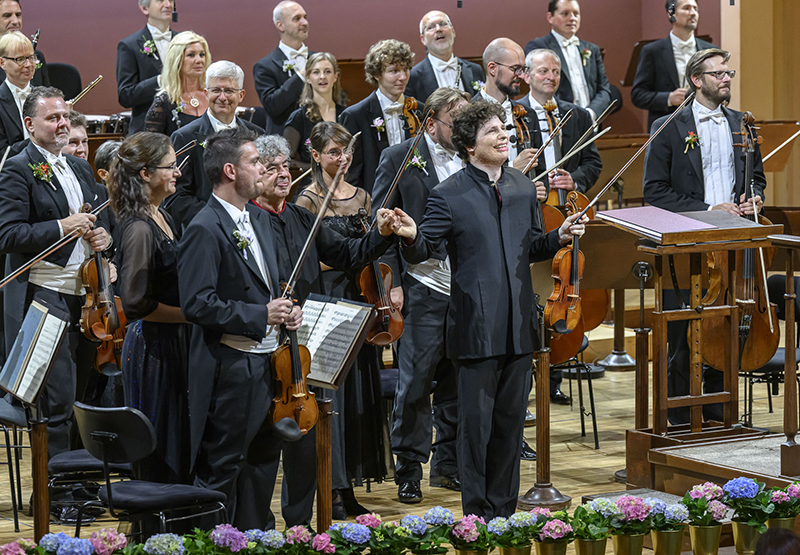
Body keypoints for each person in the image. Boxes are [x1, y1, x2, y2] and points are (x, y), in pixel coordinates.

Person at [392, 100, 586, 518]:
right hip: (475, 327)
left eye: (503, 129)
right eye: (492, 132)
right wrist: (409, 235)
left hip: (519, 323)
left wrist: (560, 236)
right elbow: (425, 249)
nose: (504, 136)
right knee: (475, 428)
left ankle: (504, 511)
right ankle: (477, 515)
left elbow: (532, 246)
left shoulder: (519, 185)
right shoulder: (448, 194)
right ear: (468, 145)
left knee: (510, 423)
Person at [177, 127, 301, 529]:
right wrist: (260, 315)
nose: (263, 168)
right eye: (255, 162)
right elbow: (197, 303)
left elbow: (269, 285)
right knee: (224, 466)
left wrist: (287, 312)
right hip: (231, 366)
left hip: (270, 364)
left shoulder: (259, 221)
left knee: (264, 461)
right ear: (231, 170)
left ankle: (252, 539)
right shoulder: (204, 226)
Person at [642, 48, 766, 424]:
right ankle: (679, 419)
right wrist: (708, 210)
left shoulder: (741, 123)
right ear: (697, 80)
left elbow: (756, 176)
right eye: (718, 74)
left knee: (724, 326)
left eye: (729, 73)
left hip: (732, 241)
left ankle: (717, 414)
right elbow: (655, 191)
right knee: (683, 334)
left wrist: (754, 197)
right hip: (688, 245)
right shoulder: (668, 126)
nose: (726, 79)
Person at [0, 86, 112, 457]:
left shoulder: (79, 166)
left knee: (82, 395)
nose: (63, 123)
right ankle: (53, 491)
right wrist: (63, 226)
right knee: (56, 402)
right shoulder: (18, 168)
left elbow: (102, 219)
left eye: (65, 116)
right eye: (53, 118)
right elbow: (9, 234)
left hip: (88, 299)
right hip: (44, 298)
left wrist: (103, 236)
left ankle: (77, 479)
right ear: (30, 124)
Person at [371, 87, 469, 504]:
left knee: (458, 381)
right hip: (420, 285)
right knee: (414, 384)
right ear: (431, 124)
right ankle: (409, 469)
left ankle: (448, 465)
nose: (465, 130)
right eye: (456, 122)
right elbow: (383, 224)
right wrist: (392, 282)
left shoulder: (472, 157)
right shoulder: (398, 157)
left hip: (464, 286)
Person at [293, 123, 392, 518]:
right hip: (327, 301)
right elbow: (305, 260)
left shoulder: (363, 196)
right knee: (330, 397)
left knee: (356, 397)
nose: (342, 158)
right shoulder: (307, 200)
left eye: (346, 151)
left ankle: (347, 484)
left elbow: (369, 251)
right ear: (315, 155)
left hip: (360, 298)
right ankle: (329, 486)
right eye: (334, 151)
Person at [108, 132, 190, 484]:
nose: (178, 173)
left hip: (172, 340)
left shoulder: (163, 217)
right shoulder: (139, 228)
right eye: (170, 167)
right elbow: (137, 303)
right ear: (145, 173)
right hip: (153, 347)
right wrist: (191, 314)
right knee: (161, 443)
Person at [164, 61, 263, 230]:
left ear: (241, 95)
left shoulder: (258, 135)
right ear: (206, 93)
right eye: (216, 90)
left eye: (229, 91)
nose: (222, 97)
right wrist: (221, 217)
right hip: (206, 229)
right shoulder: (185, 137)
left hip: (252, 226)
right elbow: (176, 198)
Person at [339, 39, 416, 194]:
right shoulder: (355, 115)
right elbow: (351, 171)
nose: (403, 77)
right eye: (394, 71)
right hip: (374, 196)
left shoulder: (418, 109)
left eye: (406, 69)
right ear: (376, 75)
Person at [631, 0, 716, 130]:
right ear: (671, 14)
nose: (693, 13)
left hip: (705, 126)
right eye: (687, 8)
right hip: (666, 128)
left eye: (695, 9)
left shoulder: (710, 51)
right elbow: (638, 95)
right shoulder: (652, 51)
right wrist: (669, 98)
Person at [524, 0, 612, 122]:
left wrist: (590, 113)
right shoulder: (539, 47)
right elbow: (540, 88)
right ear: (550, 17)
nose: (572, 18)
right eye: (565, 13)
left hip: (591, 122)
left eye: (576, 14)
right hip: (558, 121)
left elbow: (604, 89)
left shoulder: (592, 49)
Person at [473, 38, 538, 173]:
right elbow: (471, 170)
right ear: (493, 68)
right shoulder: (469, 113)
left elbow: (540, 164)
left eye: (523, 69)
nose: (521, 76)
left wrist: (540, 187)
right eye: (515, 69)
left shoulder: (528, 113)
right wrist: (512, 168)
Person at [117, 0, 176, 134]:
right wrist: (160, 81)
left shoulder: (184, 41)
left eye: (171, 0)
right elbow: (126, 95)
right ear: (144, 8)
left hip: (180, 128)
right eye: (160, 0)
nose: (168, 4)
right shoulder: (129, 45)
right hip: (147, 130)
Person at [253, 1, 311, 135]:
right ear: (280, 25)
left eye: (305, 17)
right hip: (284, 139)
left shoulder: (318, 60)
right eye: (297, 18)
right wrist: (301, 76)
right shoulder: (264, 66)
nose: (305, 23)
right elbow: (273, 106)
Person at [283, 52, 345, 175]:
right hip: (311, 186)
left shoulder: (346, 114)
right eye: (316, 72)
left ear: (335, 77)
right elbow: (286, 161)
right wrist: (321, 168)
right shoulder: (298, 117)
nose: (322, 76)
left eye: (327, 71)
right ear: (308, 78)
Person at [405, 11, 485, 104]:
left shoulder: (475, 70)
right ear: (423, 39)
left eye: (443, 24)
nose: (438, 29)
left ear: (453, 32)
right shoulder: (413, 77)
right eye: (430, 27)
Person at [145, 31, 211, 137]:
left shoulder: (212, 95)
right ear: (177, 60)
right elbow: (153, 147)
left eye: (202, 54)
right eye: (191, 55)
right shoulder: (164, 101)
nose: (199, 60)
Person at [0, 30, 36, 155]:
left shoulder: (44, 98)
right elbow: (2, 153)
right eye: (20, 59)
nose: (28, 65)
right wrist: (38, 140)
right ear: (2, 63)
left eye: (31, 58)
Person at [0, 0, 49, 87]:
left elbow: (47, 95)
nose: (15, 21)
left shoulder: (38, 56)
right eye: (7, 16)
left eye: (18, 15)